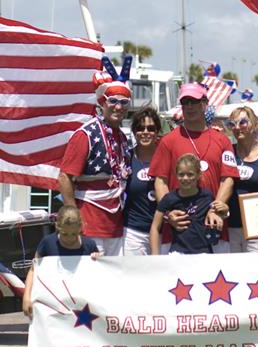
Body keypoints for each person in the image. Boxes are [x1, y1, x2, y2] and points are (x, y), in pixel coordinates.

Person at [149, 82, 237, 250]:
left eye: (194, 102)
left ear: (204, 104)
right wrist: (169, 214)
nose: (189, 107)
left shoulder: (223, 140)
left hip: (213, 230)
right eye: (185, 102)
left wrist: (214, 208)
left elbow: (228, 180)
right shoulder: (168, 141)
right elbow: (160, 181)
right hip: (178, 231)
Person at [57, 80, 131, 255]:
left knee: (114, 276)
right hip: (89, 221)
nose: (118, 107)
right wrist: (73, 218)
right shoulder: (86, 134)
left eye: (124, 102)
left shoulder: (122, 137)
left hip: (115, 223)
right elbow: (65, 177)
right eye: (113, 101)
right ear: (102, 103)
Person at [22, 205, 102, 319]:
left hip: (82, 305)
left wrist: (99, 261)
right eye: (65, 234)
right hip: (54, 304)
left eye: (74, 234)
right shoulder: (47, 243)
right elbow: (33, 270)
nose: (69, 238)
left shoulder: (89, 245)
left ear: (80, 227)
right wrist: (26, 297)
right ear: (57, 226)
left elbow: (99, 276)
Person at [225, 105, 258, 253]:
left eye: (243, 122)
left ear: (255, 125)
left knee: (254, 273)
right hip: (230, 228)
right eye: (232, 124)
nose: (237, 127)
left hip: (257, 230)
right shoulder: (226, 153)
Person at [150, 155, 215, 254]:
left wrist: (222, 210)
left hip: (204, 253)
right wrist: (155, 256)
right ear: (176, 174)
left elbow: (220, 214)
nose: (185, 178)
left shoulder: (207, 196)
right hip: (178, 254)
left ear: (199, 174)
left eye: (190, 174)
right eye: (181, 174)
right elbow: (155, 227)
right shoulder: (169, 198)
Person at [121, 106, 163, 256]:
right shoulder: (126, 159)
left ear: (157, 131)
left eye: (150, 128)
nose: (145, 132)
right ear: (134, 132)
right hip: (133, 233)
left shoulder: (167, 158)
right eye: (140, 128)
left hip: (163, 233)